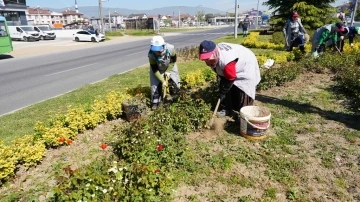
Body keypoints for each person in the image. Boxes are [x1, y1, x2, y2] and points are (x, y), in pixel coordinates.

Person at [198, 40, 261, 119]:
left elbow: (230, 78)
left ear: (215, 52)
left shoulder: (226, 61)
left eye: (208, 58)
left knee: (243, 89)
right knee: (225, 87)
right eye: (205, 59)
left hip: (246, 63)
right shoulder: (215, 57)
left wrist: (223, 92)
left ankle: (243, 115)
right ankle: (228, 109)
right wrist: (222, 90)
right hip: (232, 65)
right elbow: (223, 76)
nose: (207, 61)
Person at [148, 36, 180, 109]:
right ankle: (155, 101)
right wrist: (163, 81)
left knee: (174, 80)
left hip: (170, 65)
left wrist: (168, 71)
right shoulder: (151, 54)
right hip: (157, 68)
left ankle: (175, 96)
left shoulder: (170, 48)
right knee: (155, 84)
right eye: (155, 50)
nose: (157, 52)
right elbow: (155, 69)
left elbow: (173, 60)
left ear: (163, 46)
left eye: (158, 50)